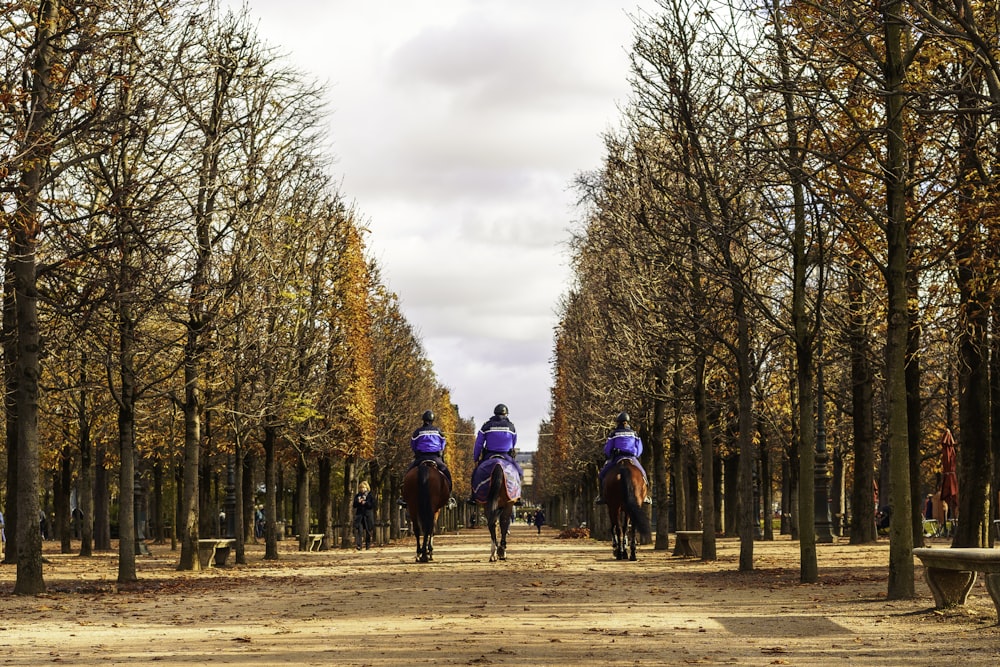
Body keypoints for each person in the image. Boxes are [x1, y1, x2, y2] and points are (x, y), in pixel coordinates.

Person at [467, 403, 522, 503]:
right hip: (506, 455)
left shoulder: (486, 426)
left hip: (489, 455)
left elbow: (479, 443)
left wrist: (476, 458)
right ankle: (517, 497)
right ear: (506, 414)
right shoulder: (511, 427)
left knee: (475, 474)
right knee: (519, 472)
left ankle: (473, 497)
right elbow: (513, 443)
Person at [398, 410, 453, 507]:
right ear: (433, 420)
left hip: (421, 457)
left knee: (407, 474)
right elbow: (443, 443)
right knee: (447, 474)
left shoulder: (417, 432)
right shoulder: (438, 431)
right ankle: (450, 498)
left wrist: (417, 451)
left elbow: (413, 444)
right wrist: (440, 450)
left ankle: (403, 497)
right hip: (435, 457)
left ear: (423, 420)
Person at [595, 411, 650, 505]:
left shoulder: (613, 434)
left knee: (601, 475)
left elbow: (608, 449)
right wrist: (636, 454)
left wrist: (609, 455)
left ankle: (601, 496)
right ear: (627, 422)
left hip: (617, 457)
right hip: (631, 457)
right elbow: (639, 447)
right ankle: (645, 497)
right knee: (644, 475)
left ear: (618, 422)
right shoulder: (634, 434)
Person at [352, 481, 376, 550]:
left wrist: (365, 503)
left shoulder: (370, 496)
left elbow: (372, 505)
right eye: (361, 488)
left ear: (367, 488)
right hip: (360, 516)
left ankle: (368, 545)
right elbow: (354, 505)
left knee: (368, 531)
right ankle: (359, 545)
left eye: (363, 487)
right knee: (360, 531)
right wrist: (358, 502)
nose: (362, 489)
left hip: (368, 516)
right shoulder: (357, 496)